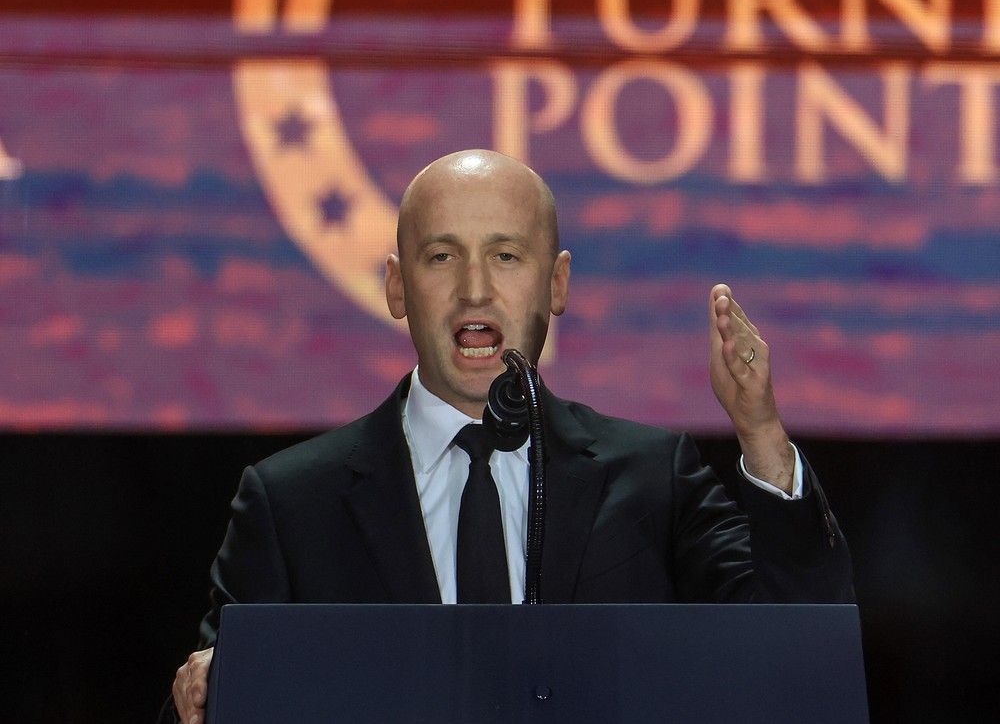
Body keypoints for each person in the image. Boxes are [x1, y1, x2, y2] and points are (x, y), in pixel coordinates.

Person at [165, 149, 853, 724]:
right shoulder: (291, 503)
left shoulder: (653, 479)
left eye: (506, 256)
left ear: (557, 284)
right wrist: (203, 697)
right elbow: (208, 698)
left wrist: (761, 432)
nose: (475, 290)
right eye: (441, 257)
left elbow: (797, 658)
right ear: (397, 287)